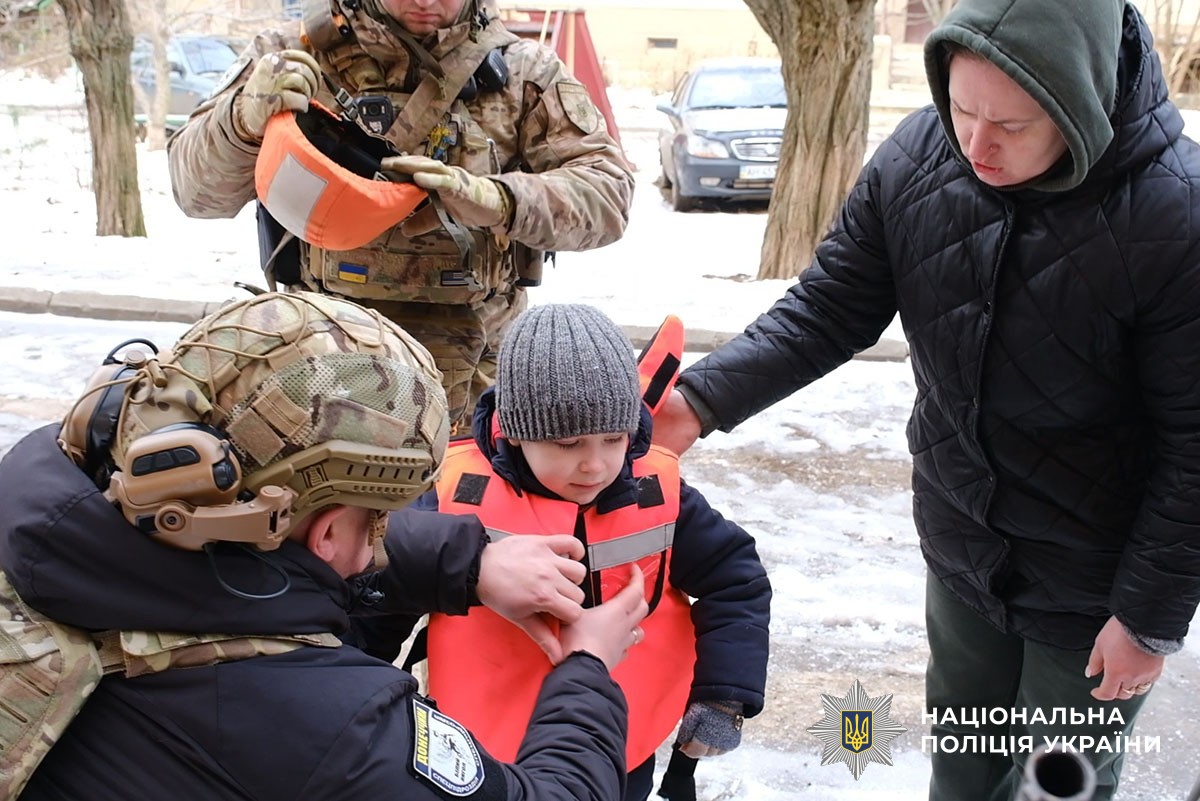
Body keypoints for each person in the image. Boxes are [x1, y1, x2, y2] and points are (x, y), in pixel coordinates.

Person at [652, 2, 1200, 799]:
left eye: (1010, 123)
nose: (976, 143)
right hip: (965, 553)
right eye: (963, 109)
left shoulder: (1173, 216)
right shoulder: (920, 156)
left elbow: (1195, 446)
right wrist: (697, 400)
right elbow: (829, 308)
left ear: (1080, 107)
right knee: (965, 771)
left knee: (1061, 783)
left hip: (1095, 583)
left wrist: (1146, 619)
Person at [0, 291, 649, 801]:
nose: (377, 545)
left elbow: (259, 574)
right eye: (378, 520)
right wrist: (587, 667)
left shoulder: (65, 524)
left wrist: (470, 561)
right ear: (331, 529)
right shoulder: (332, 727)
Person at [166, 0, 634, 430]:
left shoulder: (523, 72)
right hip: (317, 369)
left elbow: (610, 196)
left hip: (478, 386)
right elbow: (195, 194)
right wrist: (241, 122)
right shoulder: (293, 55)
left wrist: (500, 200)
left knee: (462, 521)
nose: (427, 1)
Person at [411, 303, 771, 801]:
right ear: (515, 431)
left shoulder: (660, 495)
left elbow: (737, 580)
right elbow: (382, 588)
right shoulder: (454, 494)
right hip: (478, 745)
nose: (595, 465)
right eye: (568, 443)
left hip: (615, 741)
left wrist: (723, 696)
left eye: (613, 438)